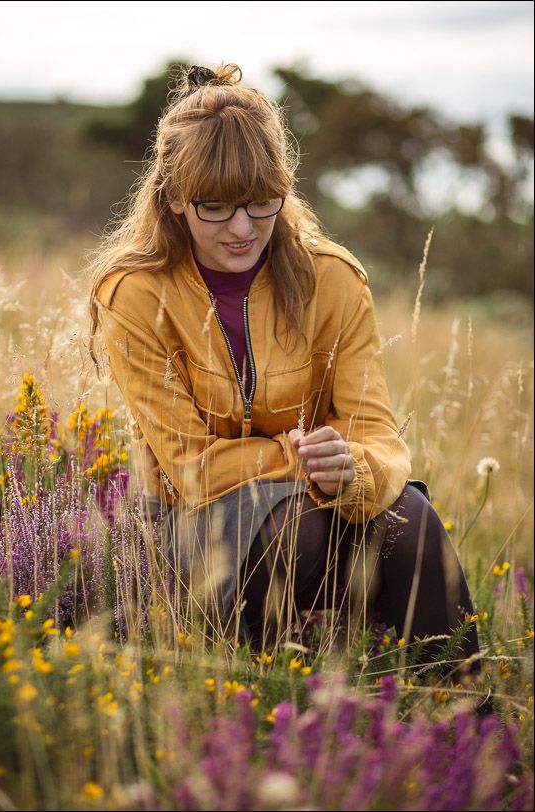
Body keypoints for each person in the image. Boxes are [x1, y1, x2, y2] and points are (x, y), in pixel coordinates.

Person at [87, 63, 481, 684]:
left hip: (324, 505)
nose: (242, 228)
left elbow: (379, 437)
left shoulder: (335, 279)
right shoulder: (133, 292)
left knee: (412, 523)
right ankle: (262, 709)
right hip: (196, 522)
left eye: (260, 202)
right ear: (172, 198)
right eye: (213, 207)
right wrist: (295, 459)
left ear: (284, 185)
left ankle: (462, 719)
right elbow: (187, 466)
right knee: (293, 532)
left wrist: (354, 467)